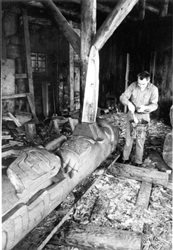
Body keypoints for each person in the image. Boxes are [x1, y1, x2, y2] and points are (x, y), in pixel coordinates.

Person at [118, 71, 159, 166]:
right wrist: (129, 103)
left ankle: (138, 161)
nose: (140, 86)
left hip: (144, 116)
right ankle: (125, 158)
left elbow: (155, 105)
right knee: (128, 138)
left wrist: (146, 108)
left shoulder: (153, 89)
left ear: (148, 81)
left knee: (140, 140)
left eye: (143, 84)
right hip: (132, 115)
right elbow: (123, 97)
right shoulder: (133, 85)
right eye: (139, 83)